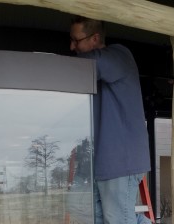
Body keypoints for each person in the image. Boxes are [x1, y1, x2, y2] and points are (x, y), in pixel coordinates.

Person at [69, 16, 152, 224]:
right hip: (98, 163)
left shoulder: (119, 55)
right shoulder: (97, 69)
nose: (71, 46)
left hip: (119, 161)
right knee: (86, 211)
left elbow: (88, 65)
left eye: (76, 40)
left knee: (118, 219)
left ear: (95, 38)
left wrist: (53, 63)